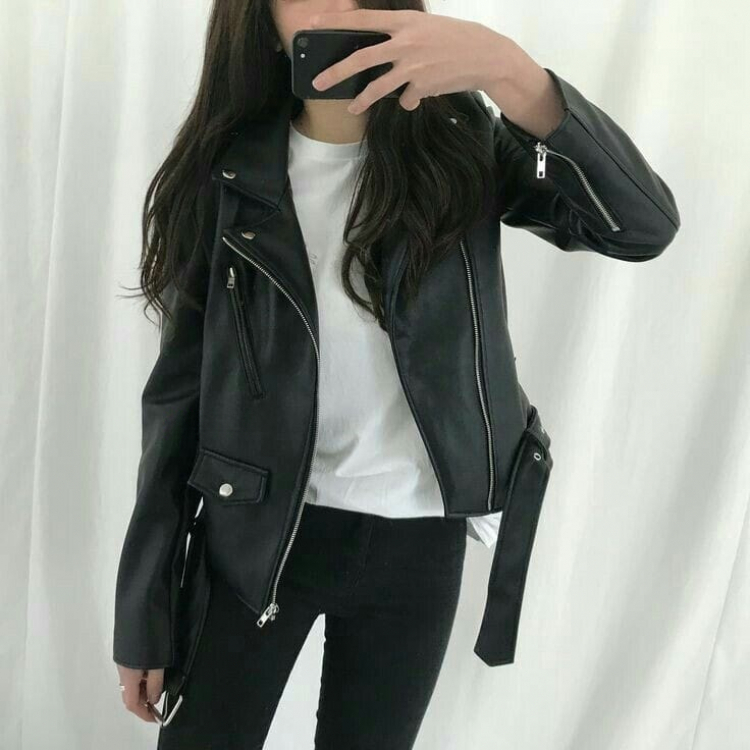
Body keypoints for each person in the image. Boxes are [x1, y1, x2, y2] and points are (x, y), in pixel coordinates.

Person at [112, 1, 681, 748]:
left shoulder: (463, 146)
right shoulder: (227, 173)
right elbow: (176, 402)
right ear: (259, 17)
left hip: (419, 546)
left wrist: (511, 73)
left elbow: (641, 227)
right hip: (256, 534)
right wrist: (144, 612)